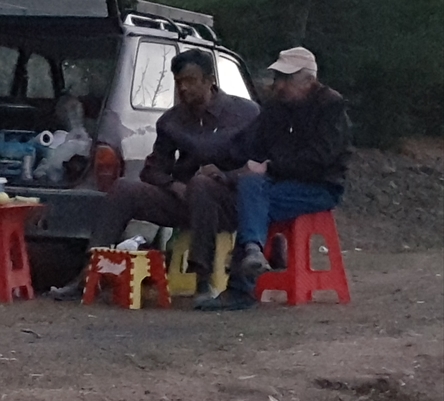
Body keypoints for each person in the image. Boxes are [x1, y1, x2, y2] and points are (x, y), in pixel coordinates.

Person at [50, 49, 259, 303]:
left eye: (191, 81)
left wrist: (225, 176)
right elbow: (153, 169)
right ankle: (89, 271)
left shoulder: (245, 113)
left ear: (209, 80)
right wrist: (172, 185)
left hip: (229, 201)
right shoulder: (172, 121)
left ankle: (202, 279)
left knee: (202, 184)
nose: (183, 88)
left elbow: (259, 166)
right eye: (179, 81)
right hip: (184, 197)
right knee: (124, 189)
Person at [194, 46, 351, 311]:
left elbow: (319, 159)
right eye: (278, 77)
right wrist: (211, 161)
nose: (279, 85)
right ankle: (253, 253)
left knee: (254, 196)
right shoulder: (277, 108)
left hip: (318, 188)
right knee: (251, 190)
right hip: (277, 185)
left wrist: (271, 168)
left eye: (286, 78)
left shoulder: (331, 108)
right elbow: (244, 143)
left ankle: (242, 285)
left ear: (309, 81)